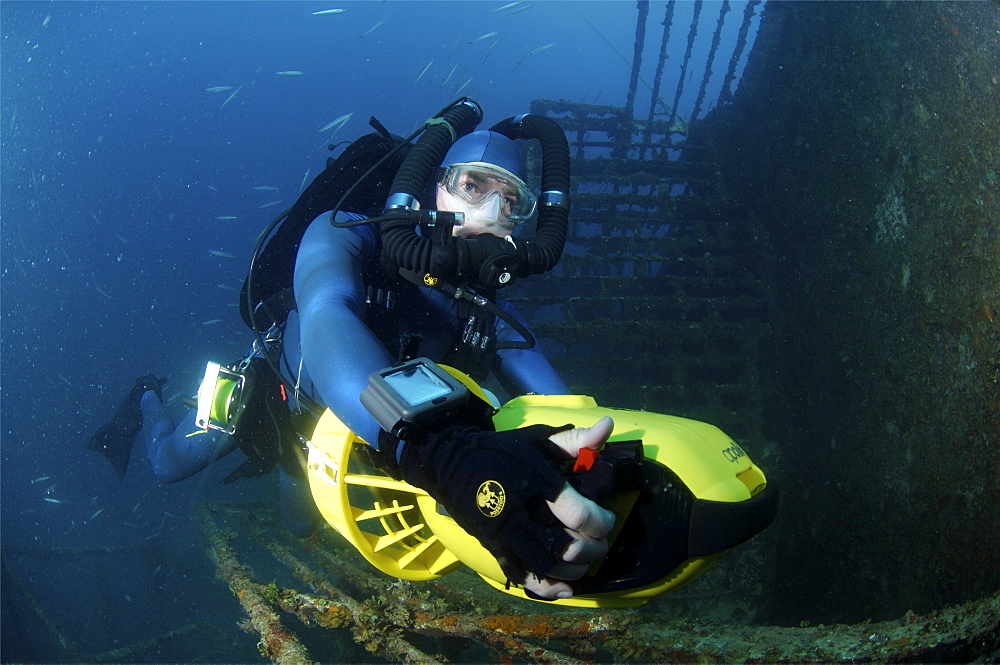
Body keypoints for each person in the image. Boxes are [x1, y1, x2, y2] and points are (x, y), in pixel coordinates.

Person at [89, 113, 615, 600]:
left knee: (299, 524)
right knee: (167, 465)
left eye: (511, 201)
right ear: (435, 184)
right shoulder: (346, 235)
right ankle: (147, 395)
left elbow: (565, 407)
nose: (488, 213)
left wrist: (597, 460)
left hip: (340, 441)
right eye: (472, 186)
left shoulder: (483, 305)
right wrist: (445, 456)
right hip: (277, 400)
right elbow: (326, 314)